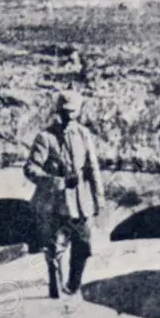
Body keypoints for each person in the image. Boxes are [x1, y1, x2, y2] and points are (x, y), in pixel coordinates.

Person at [23, 90, 106, 299]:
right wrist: (56, 181)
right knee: (54, 247)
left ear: (78, 112)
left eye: (73, 112)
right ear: (58, 112)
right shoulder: (45, 137)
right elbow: (31, 169)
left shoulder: (83, 135)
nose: (69, 116)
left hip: (80, 201)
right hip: (54, 202)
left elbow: (92, 168)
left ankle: (73, 284)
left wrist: (99, 199)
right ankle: (56, 285)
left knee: (84, 245)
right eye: (64, 112)